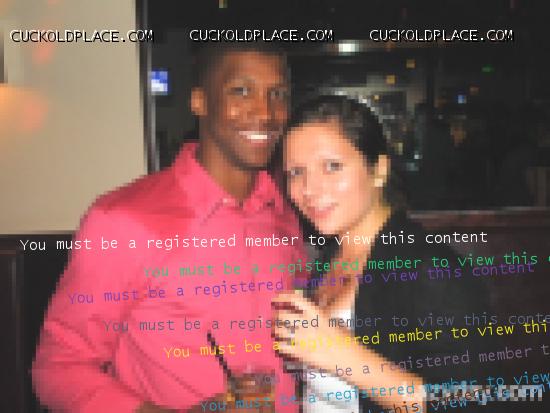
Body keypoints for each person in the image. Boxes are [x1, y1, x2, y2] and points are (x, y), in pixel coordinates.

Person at [32, 43, 305, 413]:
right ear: (199, 102)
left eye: (278, 94)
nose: (265, 112)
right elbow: (59, 368)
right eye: (241, 91)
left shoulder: (285, 214)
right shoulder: (122, 221)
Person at [273, 95, 492, 413]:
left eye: (332, 167)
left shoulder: (431, 269)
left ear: (379, 169)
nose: (308, 189)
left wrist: (342, 355)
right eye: (295, 172)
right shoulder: (328, 257)